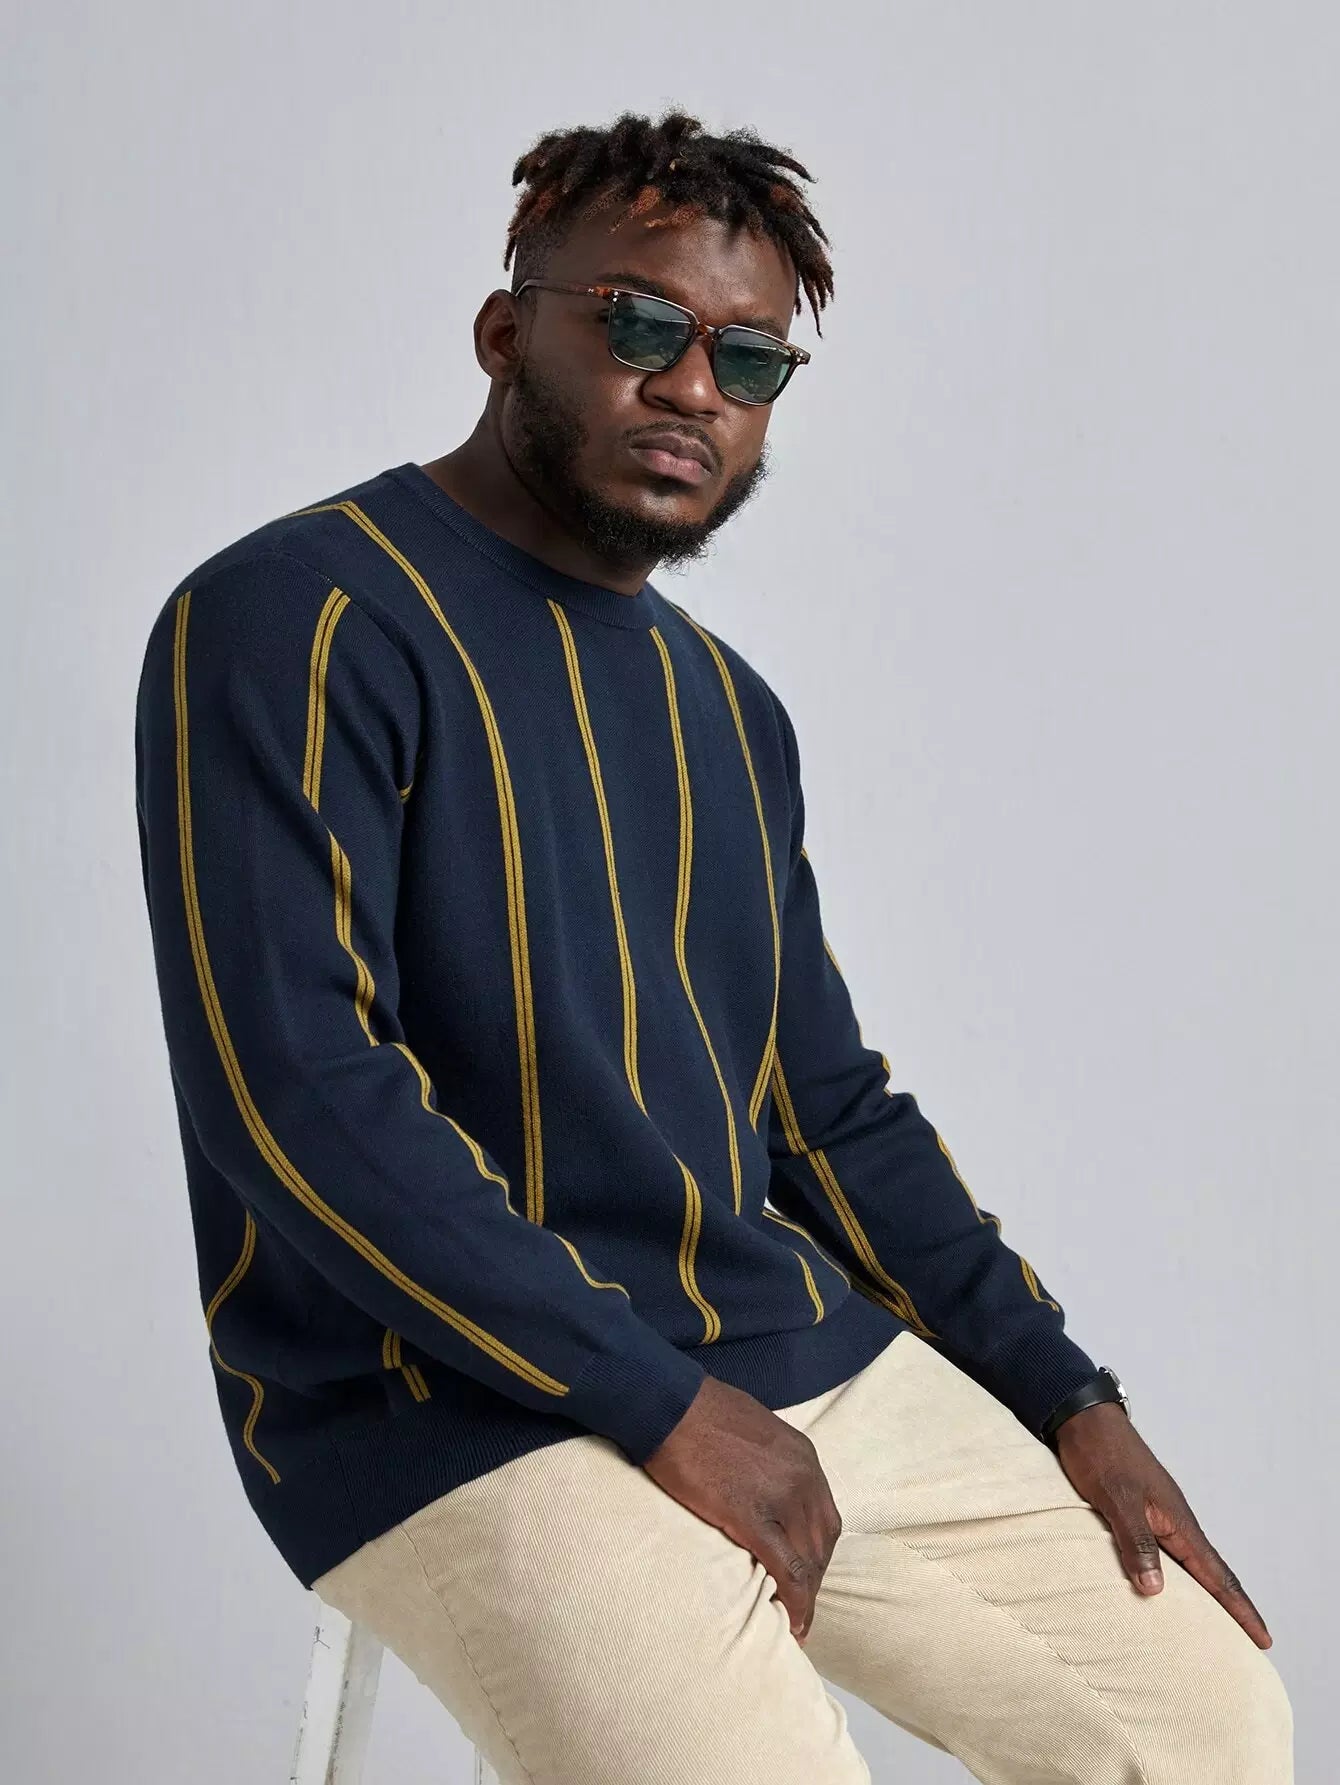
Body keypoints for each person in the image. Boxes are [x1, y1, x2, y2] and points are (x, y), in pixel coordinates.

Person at [133, 107, 1293, 1783]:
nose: (694, 388)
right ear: (505, 329)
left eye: (748, 360)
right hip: (442, 1403)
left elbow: (828, 1113)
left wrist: (1070, 1394)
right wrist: (654, 1400)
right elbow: (300, 1093)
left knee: (1206, 1719)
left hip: (782, 1350)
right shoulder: (298, 616)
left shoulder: (728, 712)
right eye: (643, 327)